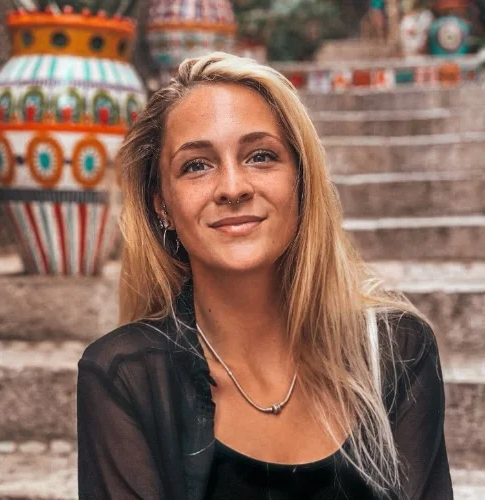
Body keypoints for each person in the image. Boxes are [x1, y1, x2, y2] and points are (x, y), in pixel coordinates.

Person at [77, 52, 453, 499]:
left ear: (301, 181)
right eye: (196, 165)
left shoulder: (395, 352)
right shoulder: (125, 377)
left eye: (260, 156)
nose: (233, 188)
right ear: (163, 206)